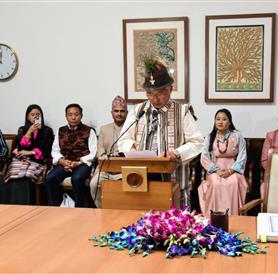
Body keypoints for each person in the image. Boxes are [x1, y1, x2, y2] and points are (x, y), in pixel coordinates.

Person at [118, 59, 203, 208]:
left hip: (174, 181)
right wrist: (130, 148)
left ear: (170, 88)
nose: (155, 99)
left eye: (160, 93)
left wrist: (177, 153)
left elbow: (197, 142)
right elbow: (123, 139)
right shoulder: (137, 111)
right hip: (142, 181)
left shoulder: (182, 111)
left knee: (173, 227)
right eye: (150, 94)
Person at [198, 109, 248, 215]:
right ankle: (214, 216)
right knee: (215, 183)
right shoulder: (210, 137)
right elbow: (204, 156)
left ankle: (233, 216)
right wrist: (216, 170)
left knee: (233, 182)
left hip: (233, 168)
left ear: (229, 122)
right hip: (215, 168)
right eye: (218, 119)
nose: (220, 122)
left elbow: (242, 156)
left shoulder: (237, 135)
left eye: (224, 119)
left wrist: (231, 171)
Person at [46, 103, 97, 207]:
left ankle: (79, 209)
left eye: (76, 114)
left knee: (77, 178)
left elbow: (93, 153)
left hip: (81, 164)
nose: (73, 117)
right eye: (70, 115)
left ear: (81, 115)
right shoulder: (60, 130)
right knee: (50, 178)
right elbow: (55, 150)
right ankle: (56, 207)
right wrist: (62, 161)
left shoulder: (89, 131)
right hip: (64, 163)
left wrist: (77, 163)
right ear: (66, 116)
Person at [2, 104, 54, 204]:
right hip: (21, 160)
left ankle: (26, 204)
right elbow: (20, 148)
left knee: (27, 175)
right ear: (27, 116)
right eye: (32, 114)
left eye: (38, 114)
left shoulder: (47, 130)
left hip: (37, 161)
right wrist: (29, 133)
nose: (35, 117)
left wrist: (31, 152)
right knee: (13, 174)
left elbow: (47, 150)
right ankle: (12, 204)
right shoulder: (23, 129)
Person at [89, 96, 128, 208]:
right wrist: (103, 157)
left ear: (126, 112)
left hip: (124, 170)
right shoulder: (104, 129)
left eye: (122, 111)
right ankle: (102, 209)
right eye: (116, 111)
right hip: (106, 168)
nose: (119, 114)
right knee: (93, 184)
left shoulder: (132, 128)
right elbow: (100, 150)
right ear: (111, 113)